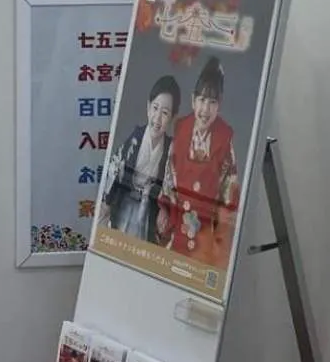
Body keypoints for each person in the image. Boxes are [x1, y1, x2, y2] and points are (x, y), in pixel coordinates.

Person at [162, 59, 241, 274]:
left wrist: (219, 240)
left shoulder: (224, 141)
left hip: (206, 237)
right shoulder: (181, 131)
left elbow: (230, 197)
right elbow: (169, 179)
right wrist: (166, 213)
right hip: (178, 229)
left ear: (219, 105)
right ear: (193, 100)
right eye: (202, 99)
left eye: (212, 102)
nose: (205, 109)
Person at [100, 76, 179, 245]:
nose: (157, 118)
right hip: (125, 200)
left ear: (172, 117)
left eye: (165, 113)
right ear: (148, 107)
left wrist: (164, 208)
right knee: (118, 241)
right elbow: (116, 169)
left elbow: (170, 184)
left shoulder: (170, 148)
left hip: (148, 208)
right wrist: (107, 201)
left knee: (141, 246)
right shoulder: (135, 139)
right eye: (155, 108)